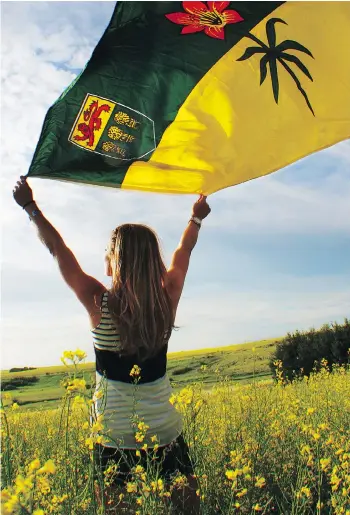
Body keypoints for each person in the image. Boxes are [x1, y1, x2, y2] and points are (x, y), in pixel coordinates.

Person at [13, 176, 211, 514]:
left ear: (115, 261)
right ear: (151, 260)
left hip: (112, 436)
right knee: (189, 510)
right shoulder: (167, 300)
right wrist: (196, 217)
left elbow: (59, 249)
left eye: (108, 255)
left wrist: (31, 208)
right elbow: (184, 251)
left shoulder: (96, 301)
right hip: (163, 430)